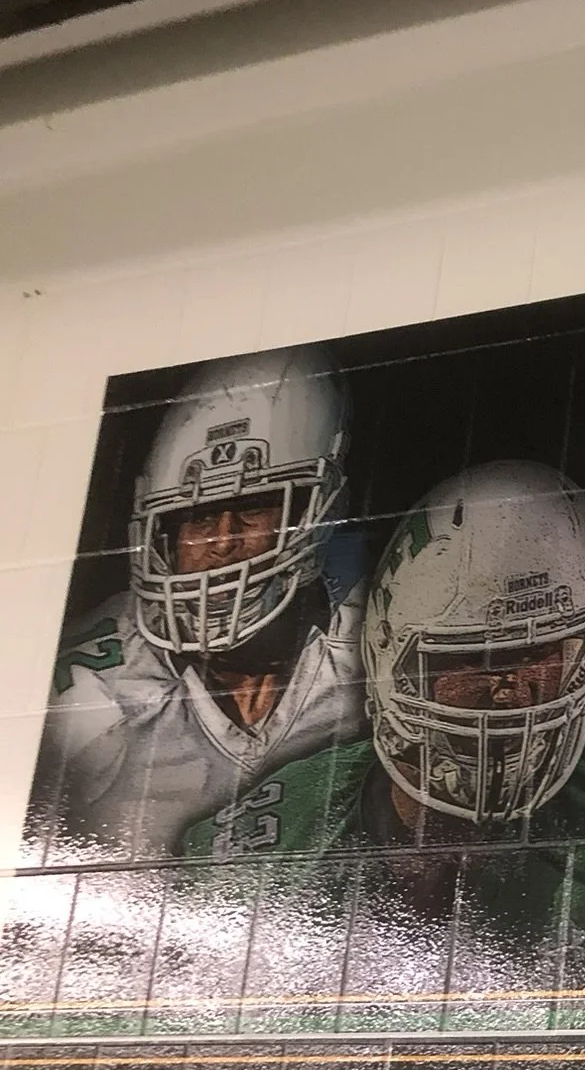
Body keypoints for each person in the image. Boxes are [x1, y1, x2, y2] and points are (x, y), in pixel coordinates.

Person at [181, 461, 585, 997]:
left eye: (542, 652)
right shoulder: (261, 852)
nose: (513, 690)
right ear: (386, 658)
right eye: (474, 657)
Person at [33, 347, 366, 860]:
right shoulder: (90, 689)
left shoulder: (375, 629)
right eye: (199, 517)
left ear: (317, 512)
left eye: (254, 507)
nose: (222, 542)